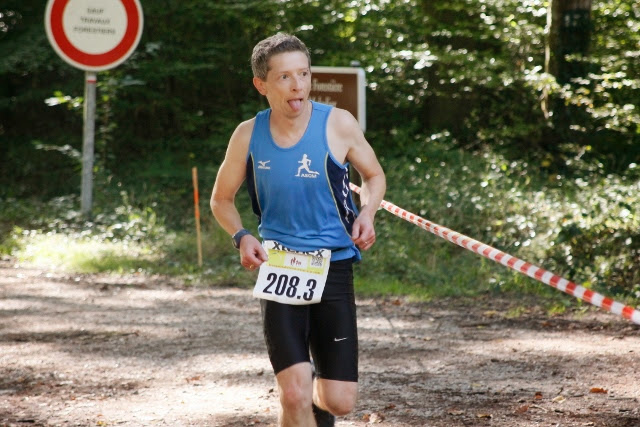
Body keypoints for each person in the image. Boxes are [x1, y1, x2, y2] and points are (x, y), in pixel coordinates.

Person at [210, 33, 386, 427]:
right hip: (280, 264)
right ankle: (298, 400)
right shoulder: (247, 135)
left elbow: (374, 175)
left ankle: (310, 403)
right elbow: (221, 199)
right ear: (262, 85)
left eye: (304, 74)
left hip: (333, 264)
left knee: (339, 402)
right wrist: (242, 236)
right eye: (285, 77)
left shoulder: (338, 123)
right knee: (293, 393)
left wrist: (368, 212)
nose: (298, 85)